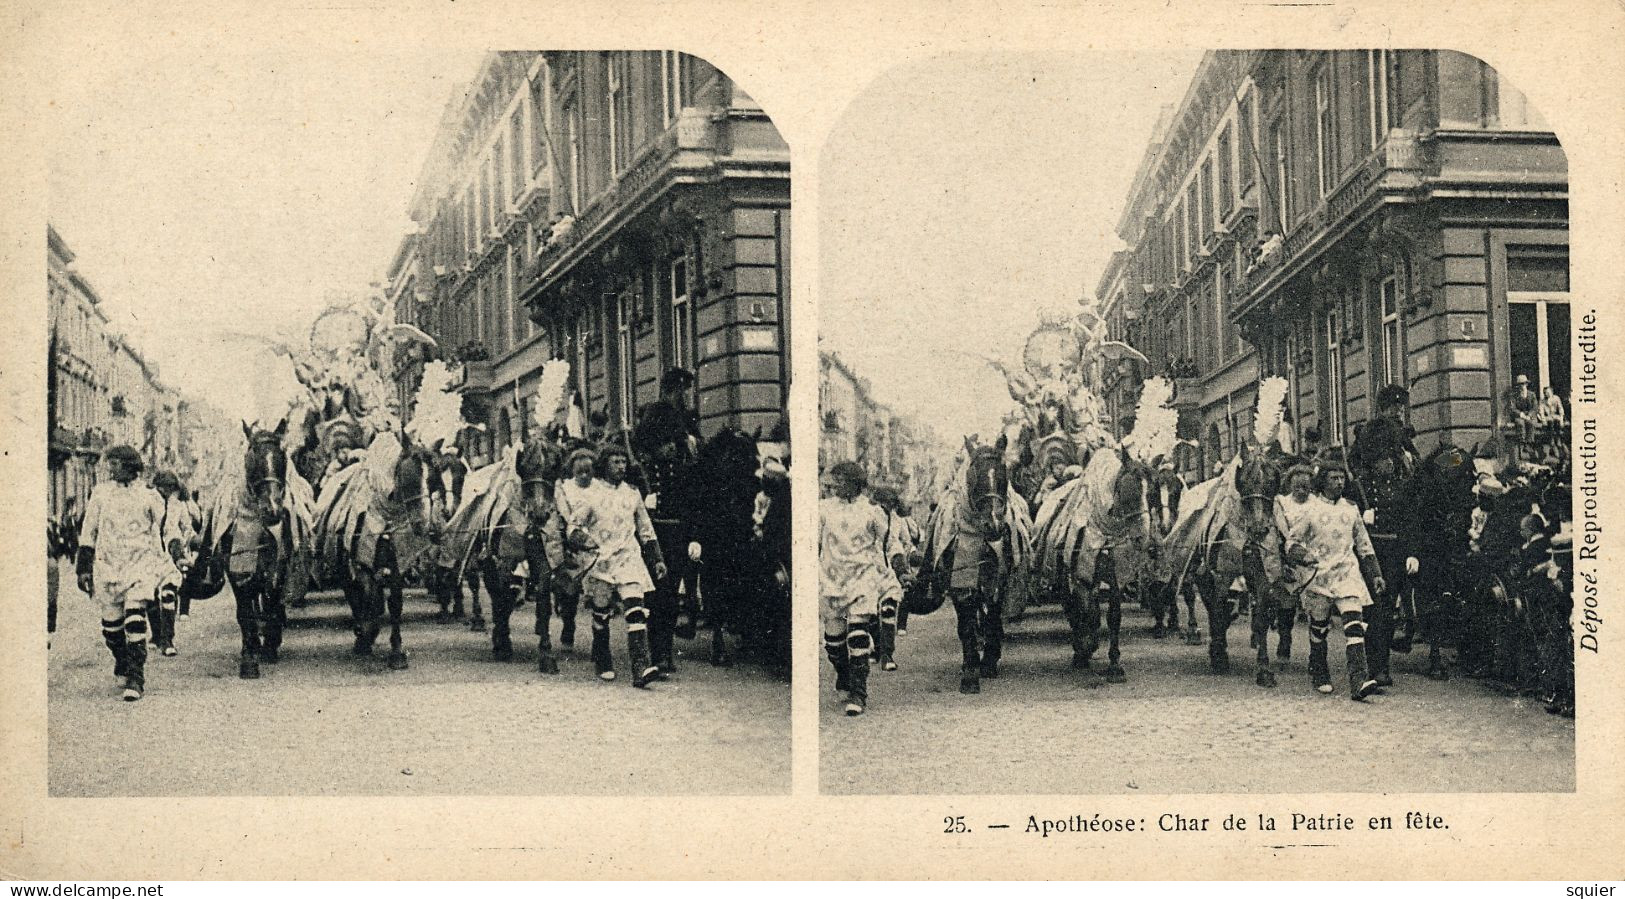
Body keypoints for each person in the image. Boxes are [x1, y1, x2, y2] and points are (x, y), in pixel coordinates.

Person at [555, 442, 667, 687]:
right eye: (615, 461)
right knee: (601, 612)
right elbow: (574, 526)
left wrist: (656, 558)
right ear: (604, 465)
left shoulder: (632, 493)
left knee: (636, 610)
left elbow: (646, 529)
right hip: (601, 561)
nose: (620, 466)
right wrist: (585, 541)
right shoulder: (591, 494)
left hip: (629, 557)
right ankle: (603, 659)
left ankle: (641, 667)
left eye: (623, 461)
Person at [76, 446, 180, 701]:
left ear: (130, 466)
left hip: (139, 566)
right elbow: (89, 531)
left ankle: (136, 677)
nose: (111, 469)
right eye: (110, 464)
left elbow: (168, 527)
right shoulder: (100, 494)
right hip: (108, 567)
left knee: (135, 619)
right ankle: (122, 660)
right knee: (112, 629)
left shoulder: (149, 496)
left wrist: (176, 549)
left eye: (116, 464)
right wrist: (83, 567)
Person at [1292, 458, 1385, 701]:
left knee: (1355, 627)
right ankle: (1320, 672)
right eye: (1334, 478)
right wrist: (1304, 556)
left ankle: (1359, 681)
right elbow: (1292, 542)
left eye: (1342, 477)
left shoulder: (1351, 509)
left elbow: (1364, 545)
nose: (1339, 482)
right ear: (1322, 481)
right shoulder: (1310, 511)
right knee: (1319, 628)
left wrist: (1375, 574)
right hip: (1319, 576)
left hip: (1347, 573)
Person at [632, 367, 703, 674]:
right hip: (655, 525)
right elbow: (641, 443)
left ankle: (663, 650)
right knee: (657, 591)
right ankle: (657, 650)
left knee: (672, 592)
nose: (672, 449)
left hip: (678, 525)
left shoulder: (683, 466)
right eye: (684, 390)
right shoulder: (658, 415)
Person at [820, 462, 889, 715]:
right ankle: (844, 676)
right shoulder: (823, 510)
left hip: (862, 578)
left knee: (858, 636)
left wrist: (889, 571)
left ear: (855, 484)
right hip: (830, 580)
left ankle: (859, 695)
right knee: (834, 644)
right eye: (833, 480)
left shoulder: (872, 513)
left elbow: (883, 545)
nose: (834, 485)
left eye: (840, 481)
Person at [150, 471, 195, 657]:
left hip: (170, 554)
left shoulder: (177, 505)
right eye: (165, 488)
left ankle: (168, 640)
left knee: (169, 594)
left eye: (170, 488)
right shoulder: (148, 501)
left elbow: (186, 526)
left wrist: (186, 542)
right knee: (151, 597)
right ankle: (157, 635)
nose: (167, 492)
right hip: (149, 553)